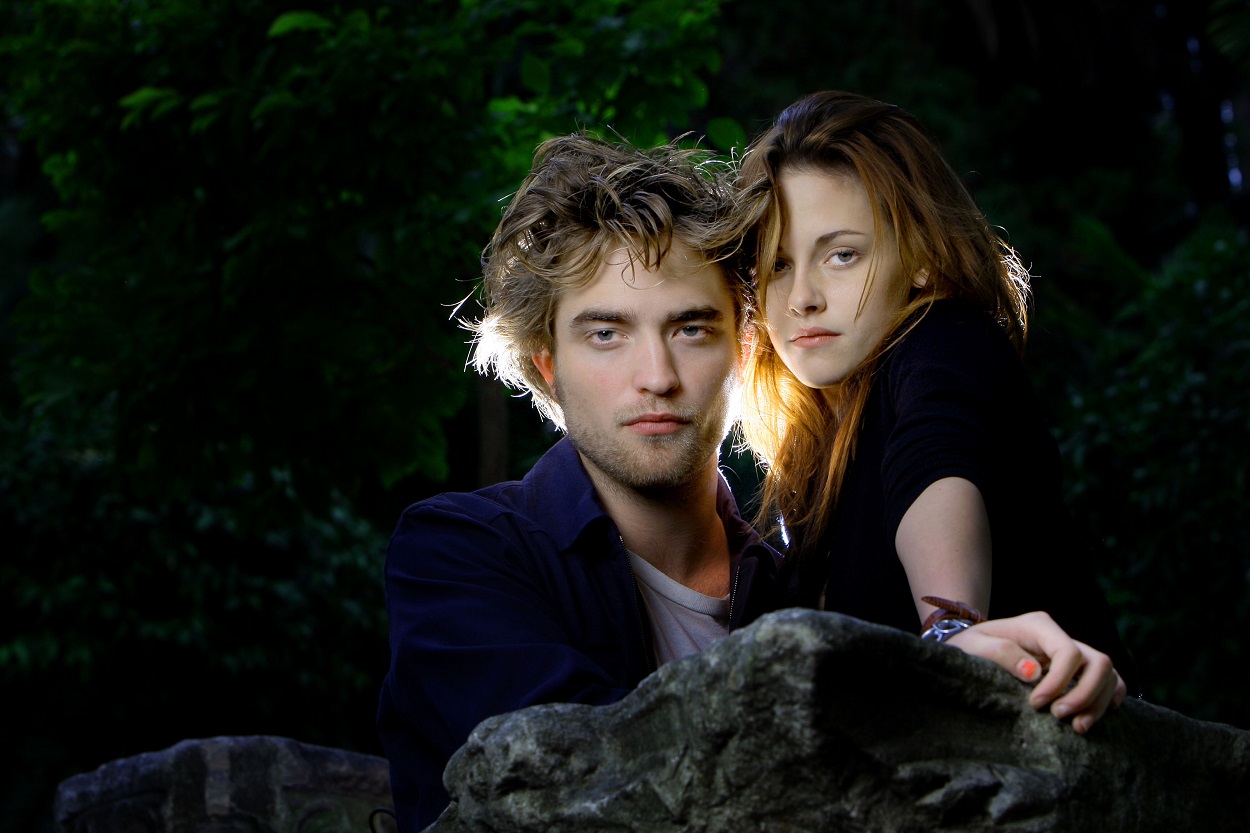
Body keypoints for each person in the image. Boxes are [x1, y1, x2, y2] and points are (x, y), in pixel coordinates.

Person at [377, 133, 1126, 832]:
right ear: (549, 366)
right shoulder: (461, 552)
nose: (657, 377)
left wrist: (1023, 668)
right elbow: (568, 781)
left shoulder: (798, 590)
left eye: (691, 328)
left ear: (744, 347)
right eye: (606, 334)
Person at [729, 90, 1139, 692]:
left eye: (842, 255)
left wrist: (950, 628)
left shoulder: (944, 338)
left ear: (919, 256)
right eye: (778, 264)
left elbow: (935, 456)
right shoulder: (815, 455)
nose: (802, 298)